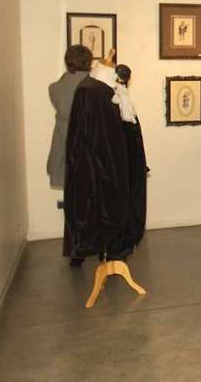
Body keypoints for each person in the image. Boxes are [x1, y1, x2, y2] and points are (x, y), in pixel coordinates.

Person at [64, 52, 131, 266]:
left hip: (111, 160)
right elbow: (85, 133)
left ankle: (111, 249)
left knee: (111, 205)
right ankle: (85, 249)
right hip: (92, 162)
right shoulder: (88, 90)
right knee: (89, 206)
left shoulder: (111, 87)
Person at [113, 64, 149, 249]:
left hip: (127, 163)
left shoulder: (122, 103)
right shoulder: (121, 103)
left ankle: (125, 240)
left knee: (127, 200)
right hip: (126, 163)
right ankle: (124, 240)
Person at [47, 45, 92, 189]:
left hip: (62, 151)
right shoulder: (94, 88)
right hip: (89, 152)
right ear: (88, 62)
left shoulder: (54, 88)